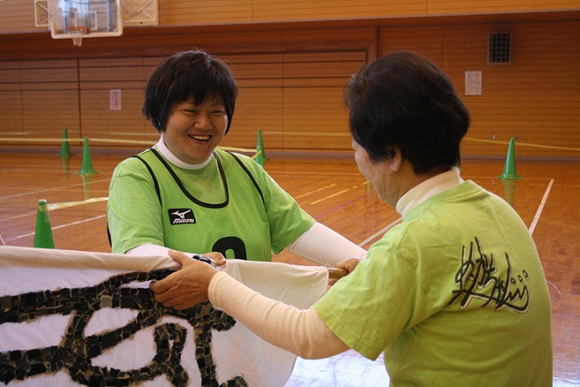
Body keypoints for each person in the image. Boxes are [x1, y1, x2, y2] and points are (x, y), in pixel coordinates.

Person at [150, 51, 553, 386]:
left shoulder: (413, 245)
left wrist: (214, 284)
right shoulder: (498, 210)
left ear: (392, 155)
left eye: (358, 147)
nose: (358, 160)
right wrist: (370, 271)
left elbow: (307, 336)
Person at [107, 50, 366, 268]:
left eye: (216, 112)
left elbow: (301, 232)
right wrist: (201, 264)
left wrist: (370, 263)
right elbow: (137, 252)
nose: (204, 123)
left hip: (251, 322)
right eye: (190, 111)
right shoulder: (137, 175)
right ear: (160, 112)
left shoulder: (245, 169)